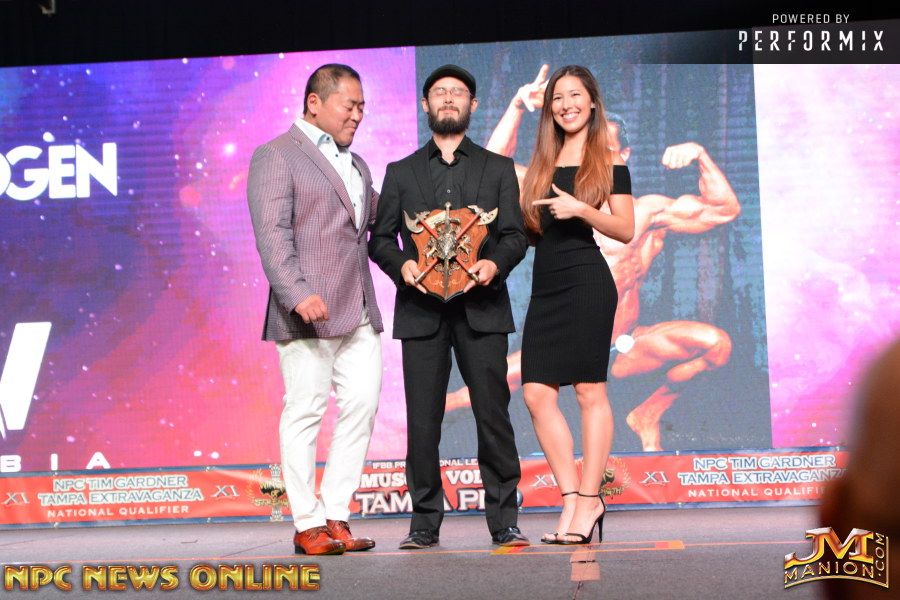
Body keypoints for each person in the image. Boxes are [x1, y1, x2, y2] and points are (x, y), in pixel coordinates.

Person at [466, 64, 740, 452]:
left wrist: (700, 155)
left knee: (717, 345)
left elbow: (723, 210)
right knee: (466, 397)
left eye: (604, 148)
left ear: (623, 154)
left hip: (624, 348)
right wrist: (516, 106)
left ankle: (647, 415)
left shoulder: (646, 212)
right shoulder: (547, 192)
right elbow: (490, 170)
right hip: (563, 343)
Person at [369, 65, 529, 549]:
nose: (448, 98)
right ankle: (423, 522)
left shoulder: (497, 168)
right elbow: (380, 240)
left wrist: (495, 264)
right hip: (421, 312)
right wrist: (401, 266)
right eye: (439, 92)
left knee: (493, 416)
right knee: (423, 421)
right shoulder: (401, 172)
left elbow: (515, 235)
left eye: (458, 92)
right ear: (426, 104)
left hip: (483, 307)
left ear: (472, 105)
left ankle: (504, 521)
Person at [247, 64, 382, 556]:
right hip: (307, 310)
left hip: (358, 308)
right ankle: (307, 523)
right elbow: (271, 232)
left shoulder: (357, 163)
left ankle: (335, 514)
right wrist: (296, 291)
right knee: (305, 412)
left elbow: (377, 218)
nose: (358, 115)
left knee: (362, 408)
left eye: (362, 107)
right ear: (314, 103)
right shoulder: (276, 155)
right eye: (350, 105)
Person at [518, 65, 634, 545]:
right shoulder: (541, 162)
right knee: (536, 394)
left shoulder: (607, 160)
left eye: (574, 95)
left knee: (589, 391)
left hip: (587, 281)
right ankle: (571, 499)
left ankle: (590, 500)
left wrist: (582, 209)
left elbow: (625, 229)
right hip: (546, 286)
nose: (566, 104)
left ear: (591, 102)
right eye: (558, 98)